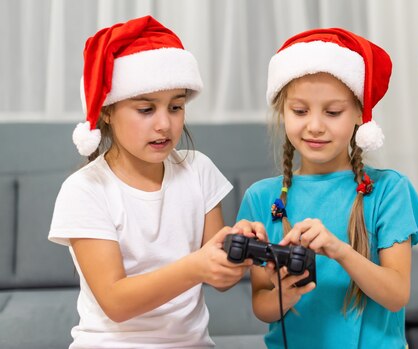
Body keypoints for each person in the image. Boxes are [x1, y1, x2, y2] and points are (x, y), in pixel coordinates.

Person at [48, 16, 265, 348]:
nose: (165, 124)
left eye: (175, 107)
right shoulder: (84, 190)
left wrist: (237, 252)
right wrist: (196, 266)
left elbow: (219, 279)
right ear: (107, 110)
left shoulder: (199, 170)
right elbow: (116, 303)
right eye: (146, 109)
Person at [236, 28, 418, 349]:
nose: (315, 125)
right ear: (283, 112)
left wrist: (339, 250)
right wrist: (285, 295)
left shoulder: (389, 191)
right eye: (300, 111)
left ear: (359, 114)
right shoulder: (261, 198)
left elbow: (396, 296)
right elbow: (263, 307)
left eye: (332, 112)